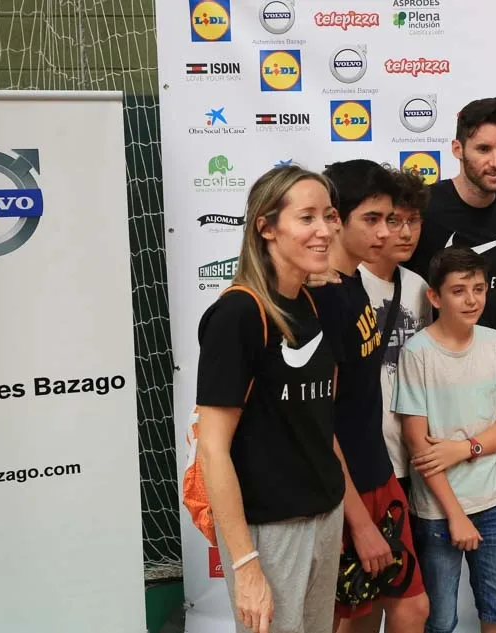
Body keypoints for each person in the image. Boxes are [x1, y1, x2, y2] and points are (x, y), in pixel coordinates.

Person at [195, 165, 344, 633]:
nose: (324, 230)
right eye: (306, 218)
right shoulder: (238, 314)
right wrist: (245, 564)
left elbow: (315, 422)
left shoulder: (311, 301)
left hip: (325, 514)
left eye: (329, 215)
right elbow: (212, 448)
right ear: (266, 226)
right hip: (271, 529)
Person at [308, 160, 429, 632]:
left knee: (401, 607)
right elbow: (322, 424)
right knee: (351, 615)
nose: (385, 233)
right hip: (344, 489)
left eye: (391, 219)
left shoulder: (352, 281)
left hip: (379, 473)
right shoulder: (319, 300)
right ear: (337, 219)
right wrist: (357, 520)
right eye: (372, 220)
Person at [394, 246, 496, 633]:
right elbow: (420, 447)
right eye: (459, 290)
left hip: (494, 501)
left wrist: (465, 448)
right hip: (437, 510)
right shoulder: (417, 353)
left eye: (479, 289)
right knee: (440, 619)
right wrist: (456, 515)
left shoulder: (494, 342)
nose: (472, 300)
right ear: (435, 297)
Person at [345, 169, 433, 633]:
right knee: (357, 601)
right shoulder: (343, 282)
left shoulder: (420, 288)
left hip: (403, 460)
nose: (401, 233)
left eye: (412, 221)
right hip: (356, 464)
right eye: (391, 220)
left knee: (388, 597)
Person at [405, 97, 496, 329]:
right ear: (457, 149)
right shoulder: (423, 205)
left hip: (489, 353)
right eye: (483, 149)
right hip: (426, 354)